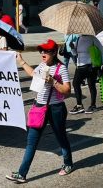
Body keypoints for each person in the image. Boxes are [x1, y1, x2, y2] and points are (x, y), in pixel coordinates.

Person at [7, 40, 73, 183]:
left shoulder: (60, 68)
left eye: (46, 51)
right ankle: (22, 174)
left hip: (56, 109)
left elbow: (67, 90)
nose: (42, 53)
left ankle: (68, 163)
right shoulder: (42, 65)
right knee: (31, 142)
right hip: (39, 108)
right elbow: (34, 75)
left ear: (54, 52)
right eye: (41, 51)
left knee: (61, 138)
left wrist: (53, 82)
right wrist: (22, 61)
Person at [69, 34, 103, 114]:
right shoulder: (79, 38)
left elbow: (101, 50)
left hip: (91, 65)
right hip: (80, 66)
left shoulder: (92, 38)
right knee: (75, 83)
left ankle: (93, 105)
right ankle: (79, 105)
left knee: (91, 84)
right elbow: (75, 53)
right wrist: (72, 47)